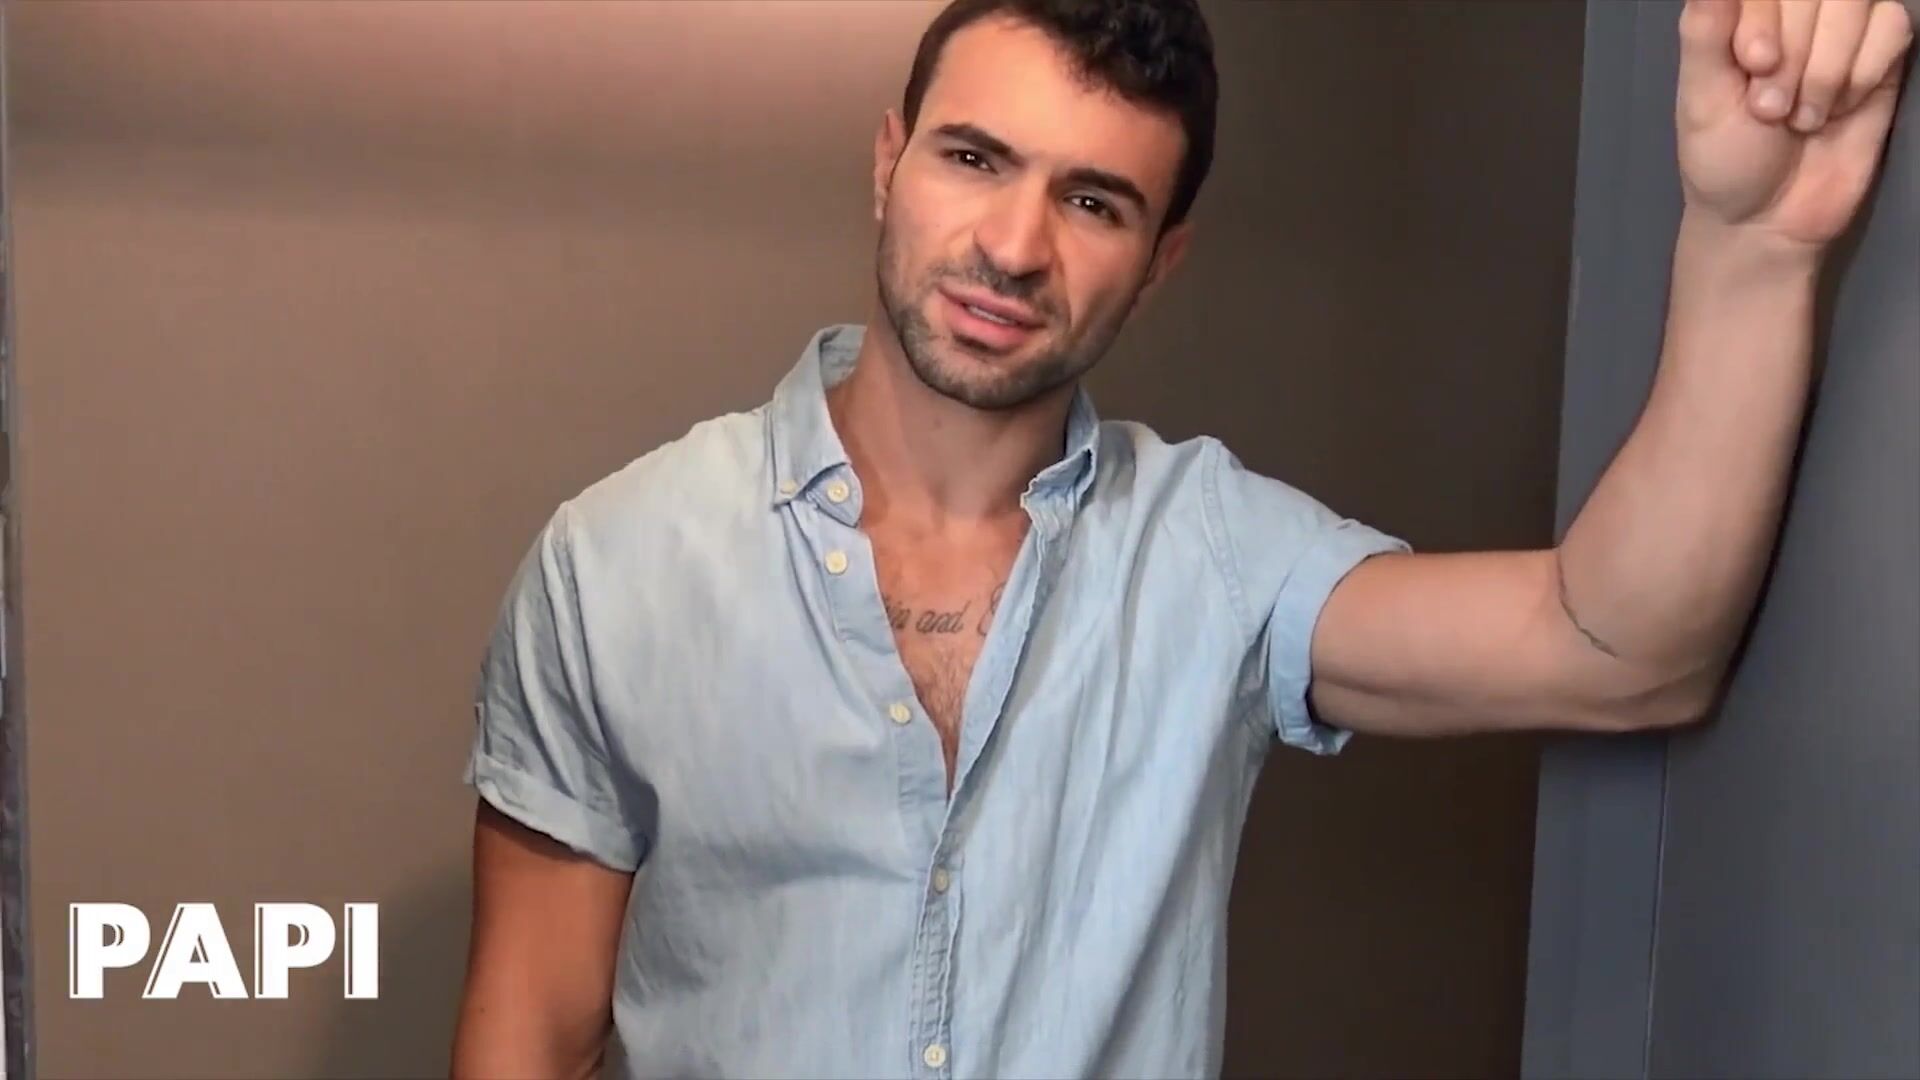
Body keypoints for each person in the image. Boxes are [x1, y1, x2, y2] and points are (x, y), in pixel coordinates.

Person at [449, 0, 1911, 1076]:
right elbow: (531, 1043)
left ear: (1161, 261)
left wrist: (1754, 245)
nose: (1014, 247)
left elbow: (1618, 648)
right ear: (889, 162)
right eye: (975, 158)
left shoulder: (1213, 550)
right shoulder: (618, 564)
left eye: (1094, 201)